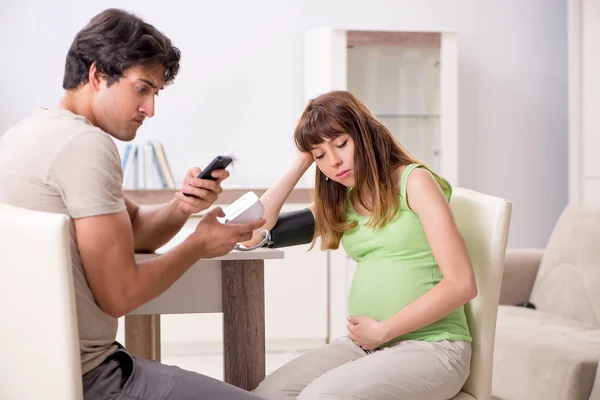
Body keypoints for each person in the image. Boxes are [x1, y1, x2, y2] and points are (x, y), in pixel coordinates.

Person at [0, 8, 266, 400]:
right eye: (142, 89)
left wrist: (183, 207)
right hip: (90, 378)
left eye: (155, 93)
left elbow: (135, 231)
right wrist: (197, 244)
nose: (150, 109)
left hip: (28, 371)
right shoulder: (85, 146)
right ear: (97, 75)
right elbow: (120, 294)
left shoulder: (27, 133)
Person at [249, 90, 477, 400]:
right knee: (266, 395)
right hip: (367, 347)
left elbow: (462, 284)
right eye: (320, 155)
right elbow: (253, 233)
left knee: (319, 398)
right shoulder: (343, 200)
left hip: (433, 347)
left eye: (341, 144)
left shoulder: (415, 183)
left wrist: (385, 330)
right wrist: (303, 159)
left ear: (364, 135)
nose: (334, 162)